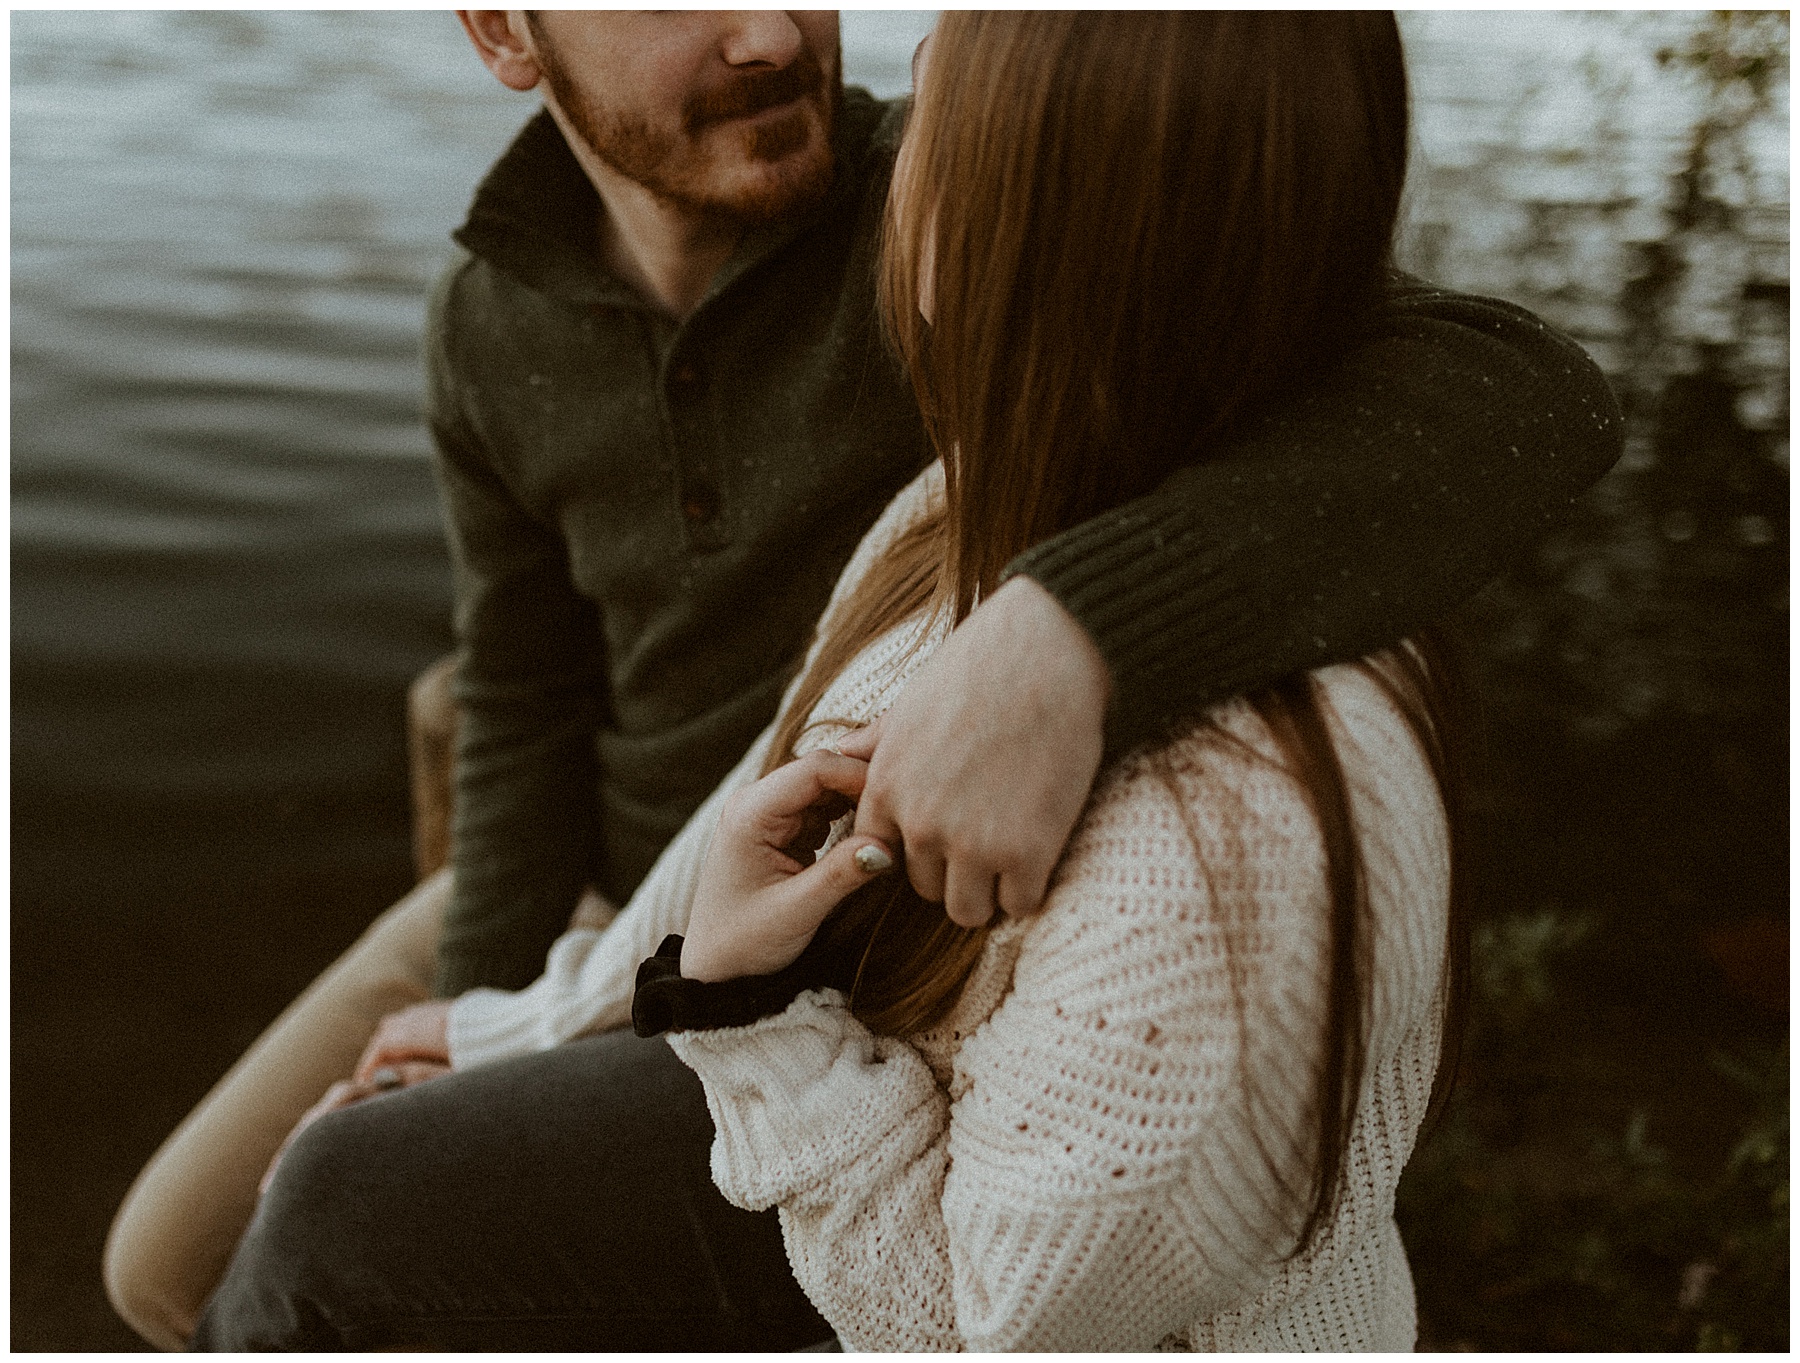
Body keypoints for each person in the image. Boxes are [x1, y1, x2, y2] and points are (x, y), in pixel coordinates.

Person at [109, 8, 1621, 1351]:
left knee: (334, 1232)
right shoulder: (488, 318)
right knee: (168, 1268)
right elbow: (517, 697)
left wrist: (1074, 626)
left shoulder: (988, 188)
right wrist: (495, 1015)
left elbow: (1513, 389)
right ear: (507, 37)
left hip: (878, 960)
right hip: (641, 885)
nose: (773, 33)